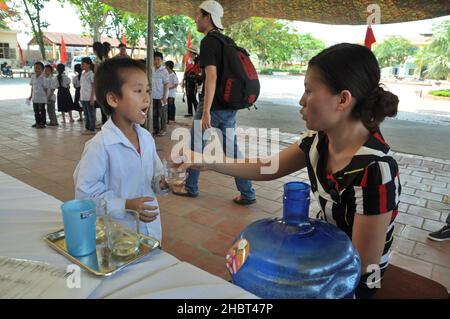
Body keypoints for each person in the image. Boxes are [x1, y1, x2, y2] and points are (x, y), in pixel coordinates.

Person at [178, 43, 402, 299]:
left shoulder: (374, 169)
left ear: (343, 99)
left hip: (350, 281)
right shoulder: (318, 140)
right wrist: (208, 161)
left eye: (309, 90)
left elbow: (363, 264)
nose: (301, 100)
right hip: (322, 252)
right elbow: (268, 168)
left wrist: (295, 269)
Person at [74, 58, 169, 241]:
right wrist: (126, 205)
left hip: (151, 231)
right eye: (138, 91)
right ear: (113, 99)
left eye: (147, 91)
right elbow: (85, 197)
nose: (147, 98)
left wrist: (162, 183)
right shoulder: (100, 146)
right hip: (118, 235)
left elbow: (154, 176)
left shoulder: (146, 139)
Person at [173, 0, 257, 206]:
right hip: (229, 107)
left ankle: (190, 187)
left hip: (213, 106)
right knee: (232, 150)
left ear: (207, 17)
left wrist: (207, 111)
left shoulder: (209, 41)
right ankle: (248, 193)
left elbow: (211, 76)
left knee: (195, 146)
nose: (195, 19)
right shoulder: (227, 40)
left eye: (198, 15)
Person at [152, 51, 169, 136]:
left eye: (158, 59)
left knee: (162, 114)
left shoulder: (164, 71)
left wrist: (164, 96)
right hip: (153, 96)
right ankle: (156, 129)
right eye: (155, 59)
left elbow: (166, 84)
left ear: (161, 60)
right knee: (154, 114)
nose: (156, 61)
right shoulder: (151, 69)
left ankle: (163, 129)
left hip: (162, 97)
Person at [182, 47, 201, 117]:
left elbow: (199, 72)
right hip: (187, 80)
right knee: (188, 96)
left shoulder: (198, 62)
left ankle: (197, 112)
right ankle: (190, 112)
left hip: (194, 81)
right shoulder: (188, 61)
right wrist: (183, 80)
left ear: (193, 53)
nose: (188, 53)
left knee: (192, 97)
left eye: (190, 52)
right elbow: (186, 71)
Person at [93, 41, 109, 125]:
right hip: (107, 83)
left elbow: (96, 72)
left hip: (101, 84)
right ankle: (106, 122)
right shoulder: (106, 58)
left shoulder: (97, 60)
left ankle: (105, 123)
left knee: (102, 104)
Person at [28, 62, 47, 128]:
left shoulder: (43, 78)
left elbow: (45, 88)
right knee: (36, 111)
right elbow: (32, 87)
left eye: (39, 68)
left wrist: (47, 97)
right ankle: (37, 122)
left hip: (42, 97)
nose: (37, 69)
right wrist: (30, 96)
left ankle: (43, 123)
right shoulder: (33, 77)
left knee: (42, 110)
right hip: (35, 97)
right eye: (35, 68)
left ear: (42, 69)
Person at [80, 57, 96, 135]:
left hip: (89, 97)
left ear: (88, 65)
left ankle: (92, 128)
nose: (81, 65)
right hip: (83, 97)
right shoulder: (83, 74)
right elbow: (82, 86)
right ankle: (87, 127)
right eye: (81, 64)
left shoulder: (91, 74)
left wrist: (92, 98)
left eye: (83, 64)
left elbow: (94, 86)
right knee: (86, 114)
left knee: (91, 113)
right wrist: (80, 97)